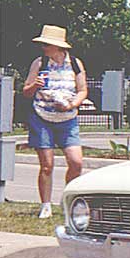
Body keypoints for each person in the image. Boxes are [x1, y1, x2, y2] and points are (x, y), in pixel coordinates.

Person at [22, 25, 87, 218]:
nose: (43, 47)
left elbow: (83, 90)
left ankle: (68, 202)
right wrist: (35, 85)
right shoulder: (39, 63)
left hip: (67, 118)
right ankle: (46, 205)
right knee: (47, 165)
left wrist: (71, 105)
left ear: (58, 47)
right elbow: (26, 92)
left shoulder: (75, 64)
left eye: (46, 44)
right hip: (42, 117)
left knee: (76, 162)